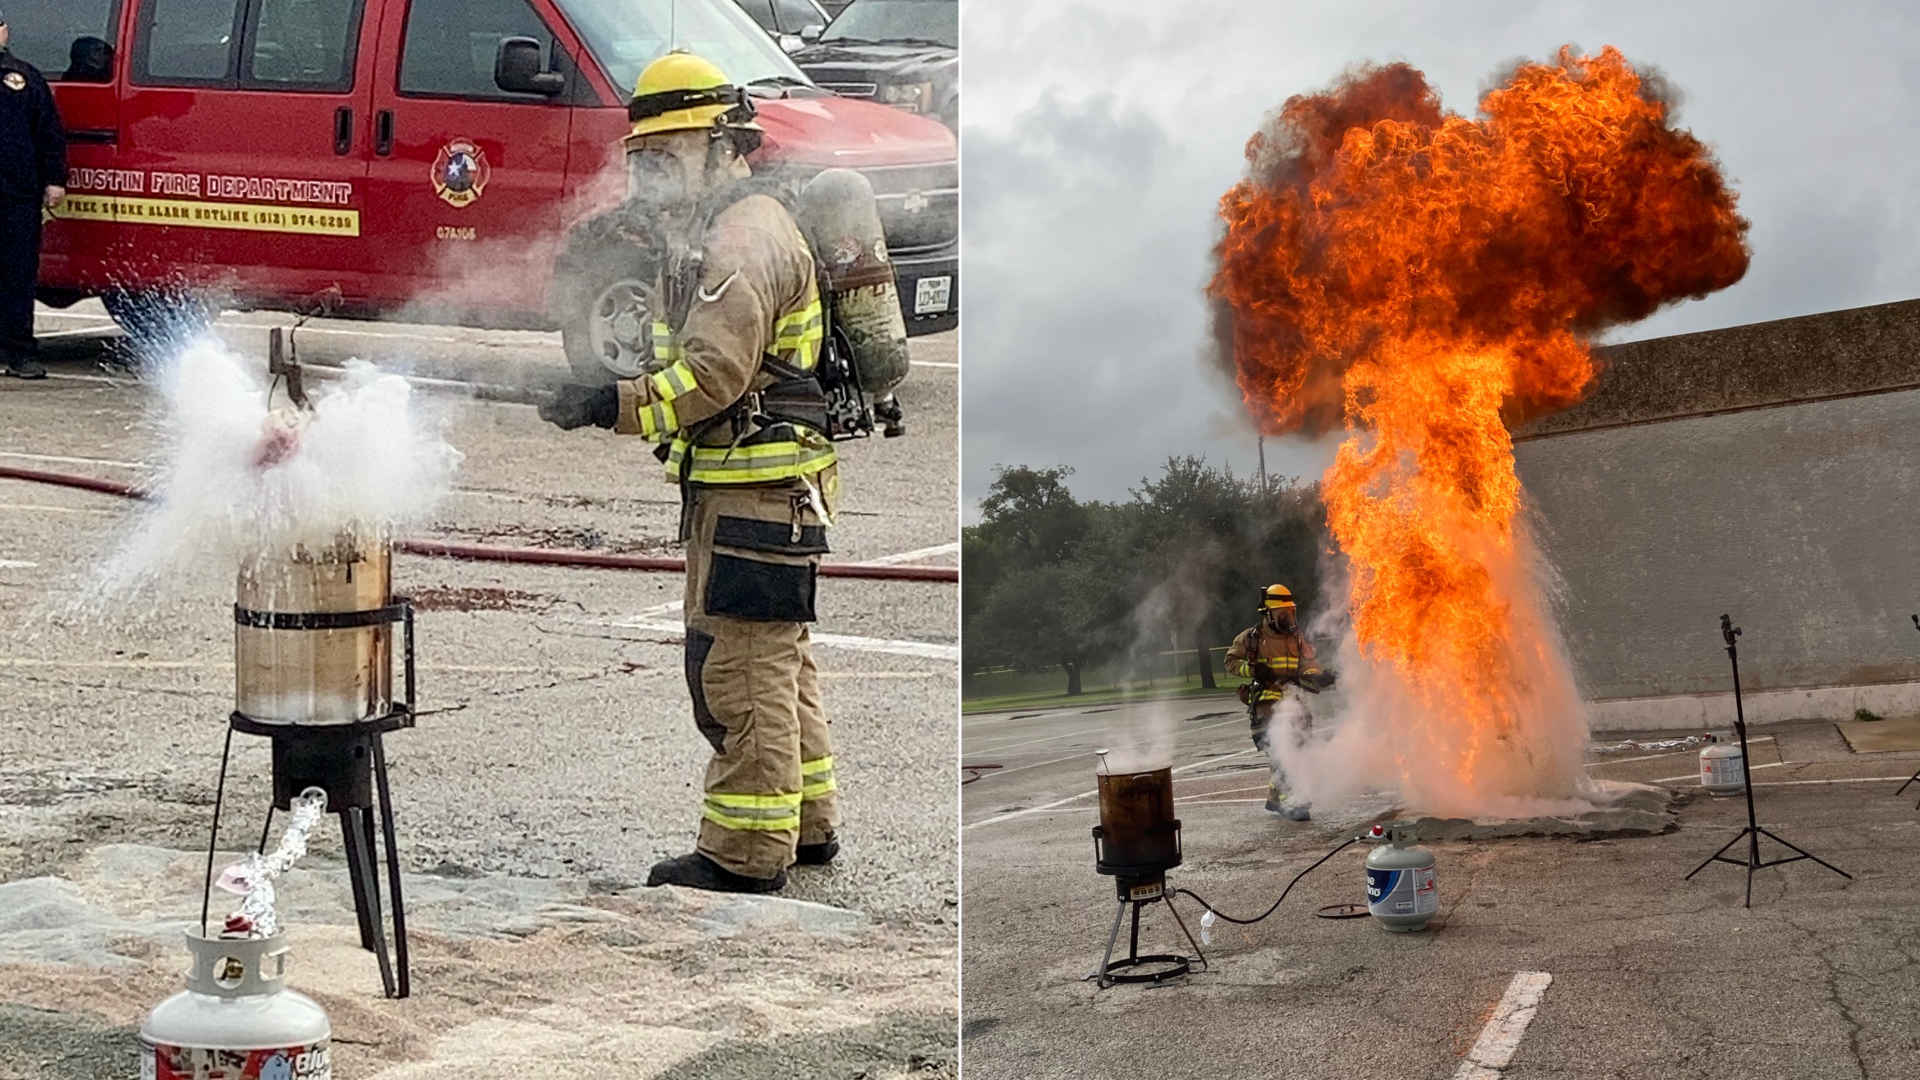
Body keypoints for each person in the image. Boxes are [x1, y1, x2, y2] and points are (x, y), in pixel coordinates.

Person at [539, 51, 840, 894]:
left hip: (754, 493)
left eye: (667, 156)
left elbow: (711, 379)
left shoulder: (741, 238)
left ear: (722, 144)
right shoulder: (729, 222)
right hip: (766, 493)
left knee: (738, 672)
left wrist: (611, 404)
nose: (650, 177)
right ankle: (807, 824)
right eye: (642, 159)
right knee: (779, 665)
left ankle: (746, 853)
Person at [1224, 584, 1334, 821]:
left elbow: (1308, 666)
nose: (1288, 618)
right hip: (1265, 710)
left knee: (1299, 755)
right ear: (1269, 613)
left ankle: (1278, 801)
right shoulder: (1252, 638)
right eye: (1282, 613)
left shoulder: (1297, 638)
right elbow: (1231, 661)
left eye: (1290, 612)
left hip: (1296, 706)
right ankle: (1292, 803)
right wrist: (1253, 668)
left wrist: (1320, 677)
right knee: (1282, 756)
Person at [0, 6, 65, 380]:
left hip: (17, 194)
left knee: (18, 275)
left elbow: (49, 133)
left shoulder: (25, 78)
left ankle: (20, 353)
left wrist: (55, 180)